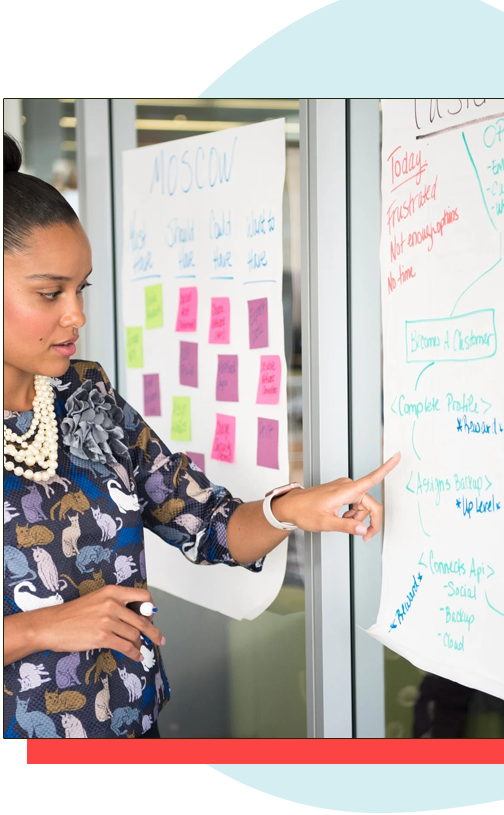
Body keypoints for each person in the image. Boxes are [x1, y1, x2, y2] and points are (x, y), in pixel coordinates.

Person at [3, 133, 400, 739]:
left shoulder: (87, 397)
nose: (76, 314)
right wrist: (39, 627)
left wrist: (295, 509)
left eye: (80, 289)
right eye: (48, 292)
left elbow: (206, 526)